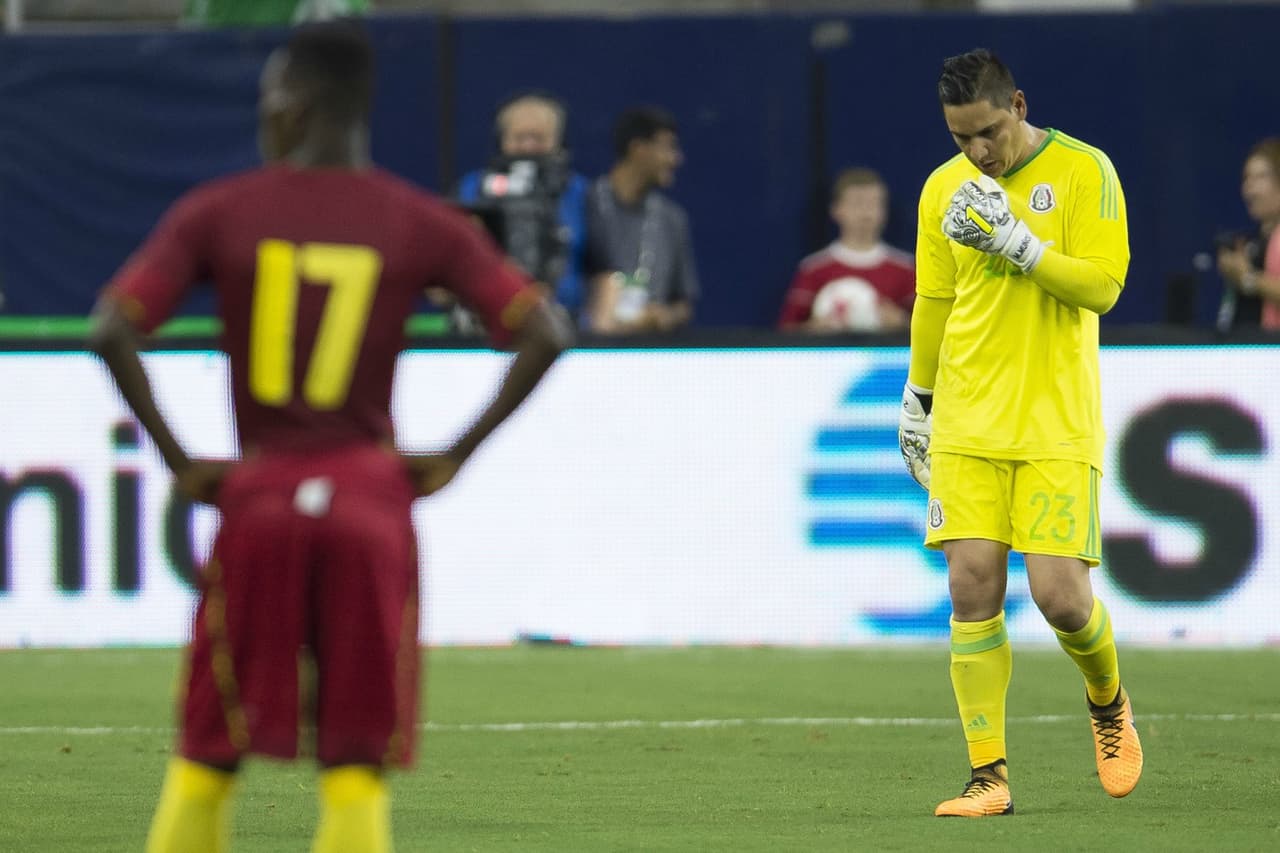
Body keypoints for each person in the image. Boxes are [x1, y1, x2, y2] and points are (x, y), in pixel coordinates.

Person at [89, 22, 572, 853]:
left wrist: (181, 462)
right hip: (370, 504)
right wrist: (454, 453)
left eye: (269, 97)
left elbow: (109, 328)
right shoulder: (422, 222)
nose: (264, 116)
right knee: (354, 759)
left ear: (298, 101)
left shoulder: (219, 211)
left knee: (209, 750)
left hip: (261, 496)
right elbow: (548, 332)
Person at [899, 48, 1143, 818]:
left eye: (986, 133)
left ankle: (1107, 699)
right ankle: (988, 776)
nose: (976, 151)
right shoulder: (945, 188)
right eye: (959, 137)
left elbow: (1103, 285)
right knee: (971, 584)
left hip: (1053, 419)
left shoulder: (1085, 171)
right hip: (969, 415)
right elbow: (934, 299)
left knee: (1061, 597)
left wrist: (1023, 247)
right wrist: (918, 396)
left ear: (1018, 106)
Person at [455, 91, 593, 323]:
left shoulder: (582, 193)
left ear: (558, 142)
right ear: (503, 141)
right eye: (520, 137)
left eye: (538, 138)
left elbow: (602, 268)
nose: (528, 147)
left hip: (566, 327)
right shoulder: (472, 189)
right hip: (482, 325)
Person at [586, 106, 699, 333]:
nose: (675, 159)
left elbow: (683, 304)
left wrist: (660, 317)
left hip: (648, 353)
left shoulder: (672, 219)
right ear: (638, 149)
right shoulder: (586, 205)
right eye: (667, 148)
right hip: (587, 351)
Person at [778, 167, 914, 332]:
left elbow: (930, 330)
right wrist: (813, 330)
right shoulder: (813, 269)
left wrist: (901, 322)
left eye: (874, 204)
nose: (866, 213)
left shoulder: (905, 269)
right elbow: (786, 333)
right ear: (836, 210)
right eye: (857, 203)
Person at [1216, 138, 1280, 332]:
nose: (1249, 188)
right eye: (1246, 178)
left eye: (1261, 177)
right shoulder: (1253, 243)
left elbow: (1249, 280)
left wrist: (1248, 278)